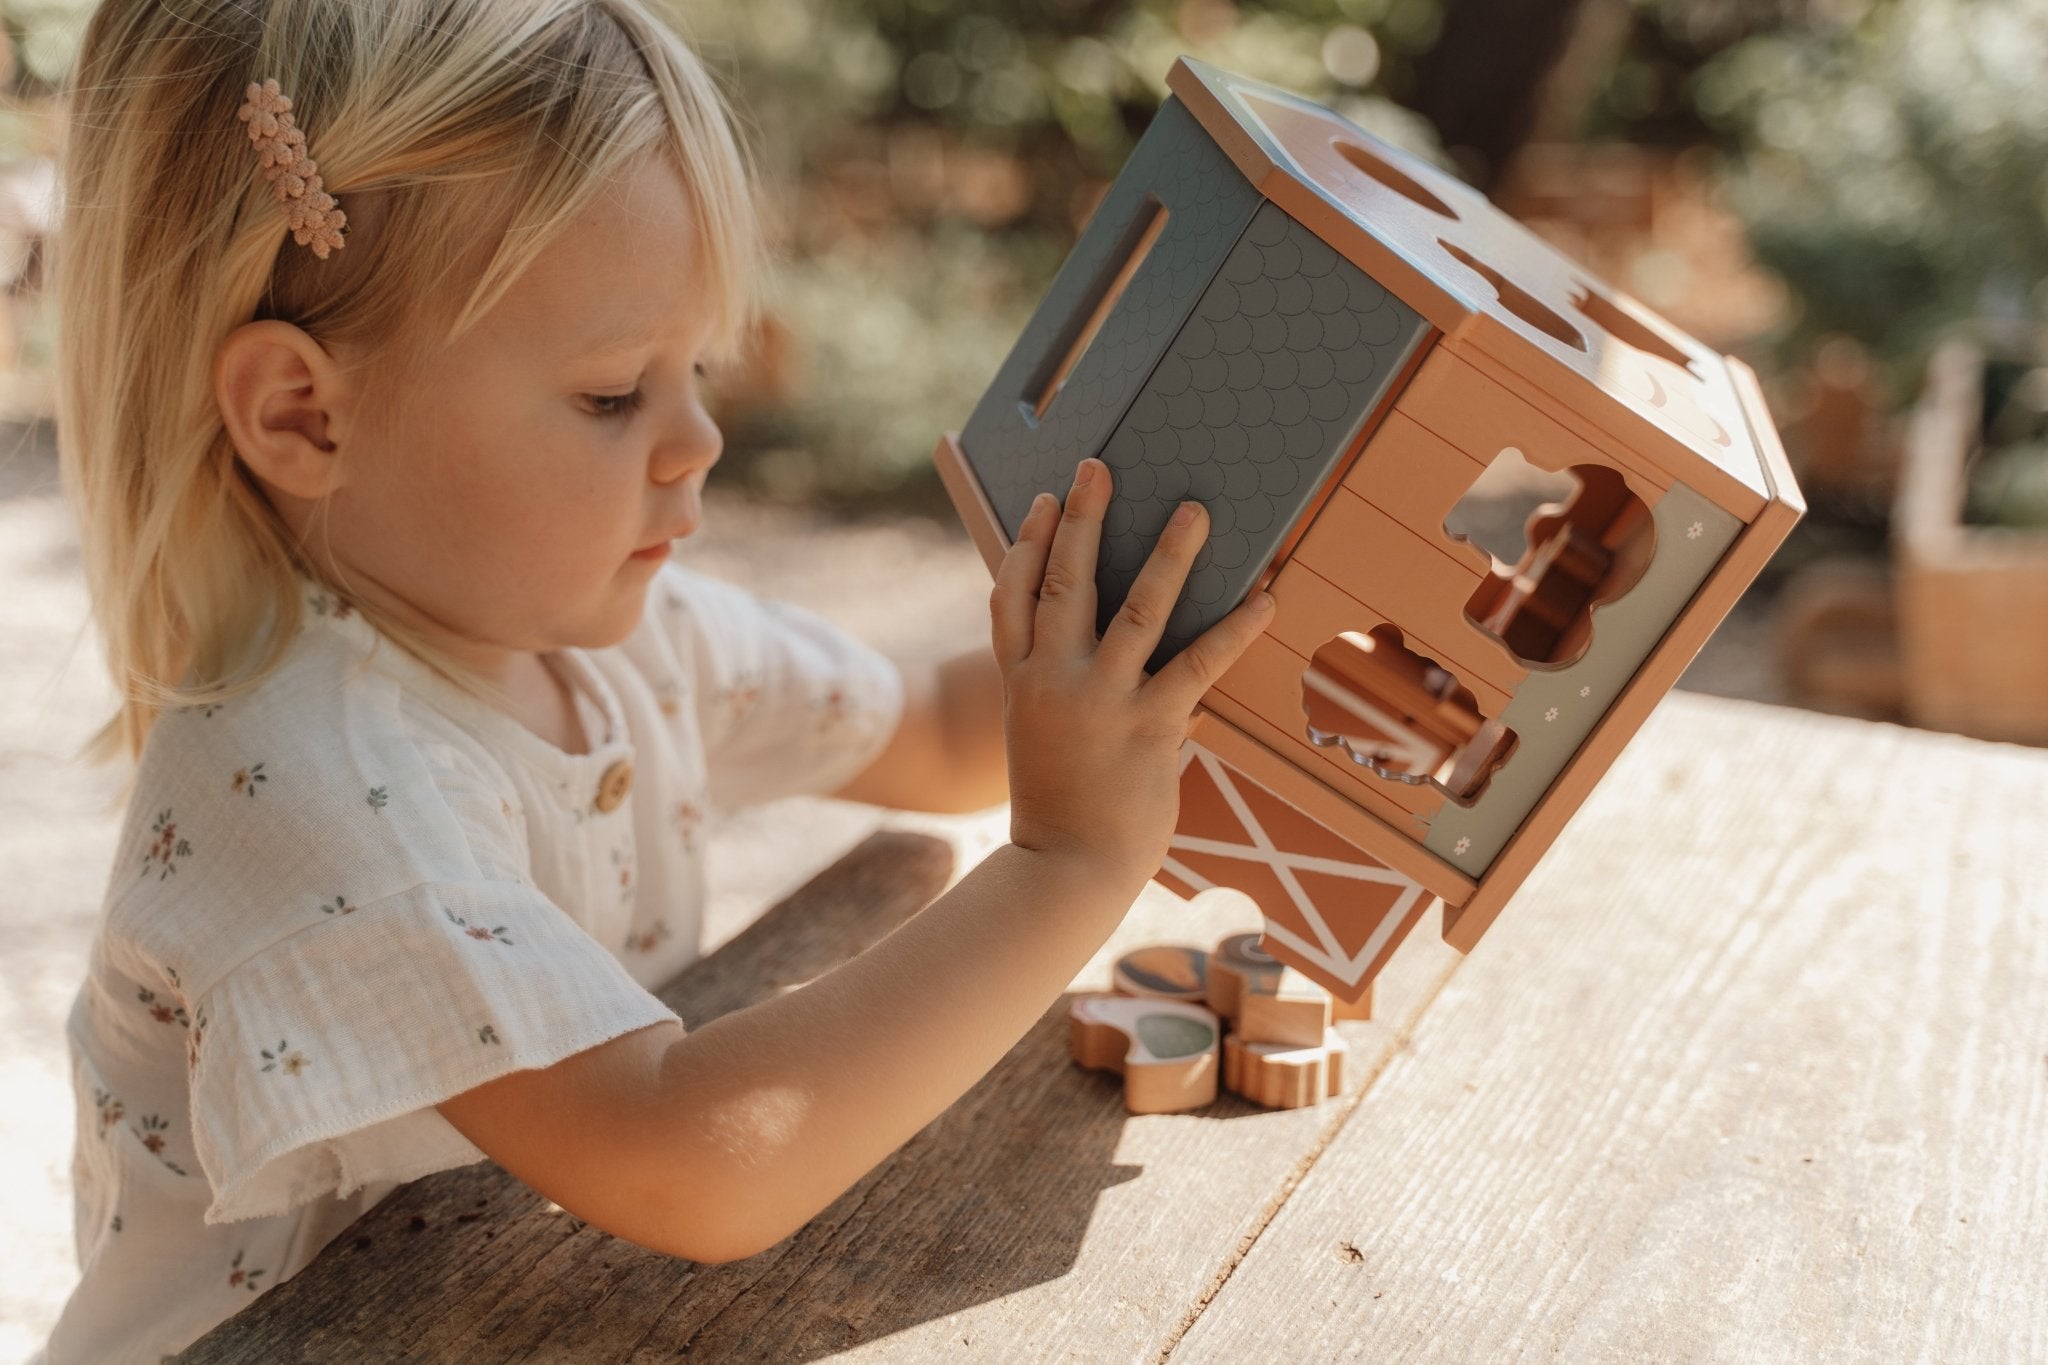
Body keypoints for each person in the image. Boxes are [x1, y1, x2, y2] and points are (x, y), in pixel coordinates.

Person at [35, 1, 1274, 1359]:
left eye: (697, 368)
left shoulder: (623, 632)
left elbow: (937, 730)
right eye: (615, 393)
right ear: (303, 413)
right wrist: (1071, 865)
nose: (698, 440)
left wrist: (1181, 611)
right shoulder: (308, 780)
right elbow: (691, 1155)